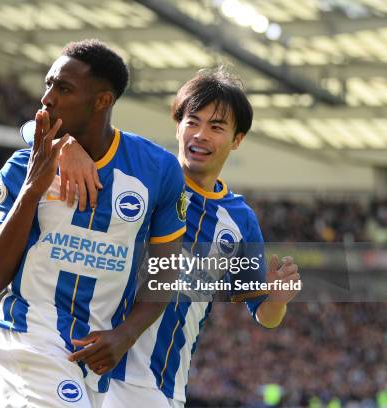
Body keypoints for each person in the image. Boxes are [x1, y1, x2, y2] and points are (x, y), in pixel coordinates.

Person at [51, 67, 302, 407]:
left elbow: (263, 313)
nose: (200, 135)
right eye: (192, 122)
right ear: (178, 126)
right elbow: (40, 131)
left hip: (156, 388)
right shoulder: (141, 172)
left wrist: (277, 300)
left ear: (237, 139)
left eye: (216, 127)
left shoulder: (239, 221)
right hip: (82, 365)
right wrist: (67, 145)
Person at [0, 39, 187, 407]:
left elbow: (164, 273)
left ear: (102, 101)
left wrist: (126, 334)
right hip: (30, 338)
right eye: (48, 84)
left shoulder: (157, 171)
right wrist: (33, 187)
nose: (47, 98)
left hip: (96, 357)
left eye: (64, 88)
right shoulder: (23, 166)